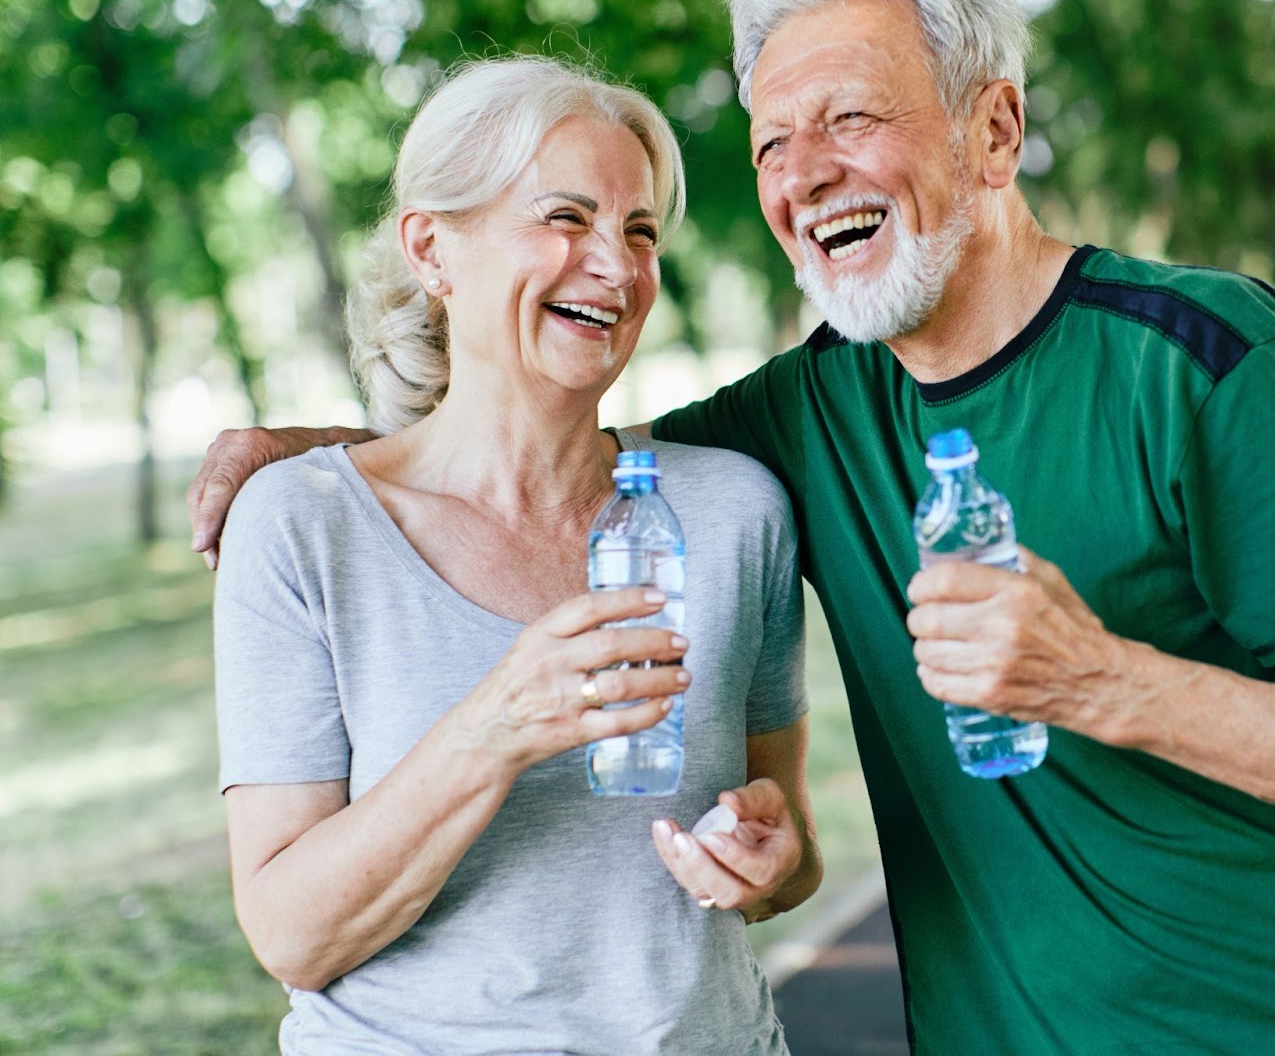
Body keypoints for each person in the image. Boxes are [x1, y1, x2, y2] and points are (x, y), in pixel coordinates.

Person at [192, 0, 1275, 1053]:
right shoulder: (806, 414)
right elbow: (541, 426)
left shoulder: (1203, 359)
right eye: (771, 141)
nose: (805, 171)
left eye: (853, 117)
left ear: (994, 130)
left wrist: (1105, 680)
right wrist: (306, 456)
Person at [210, 55, 820, 1055]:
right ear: (432, 248)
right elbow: (292, 934)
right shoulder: (299, 527)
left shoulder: (732, 509)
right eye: (565, 218)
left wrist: (773, 852)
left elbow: (790, 848)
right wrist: (493, 729)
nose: (618, 269)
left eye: (639, 231)